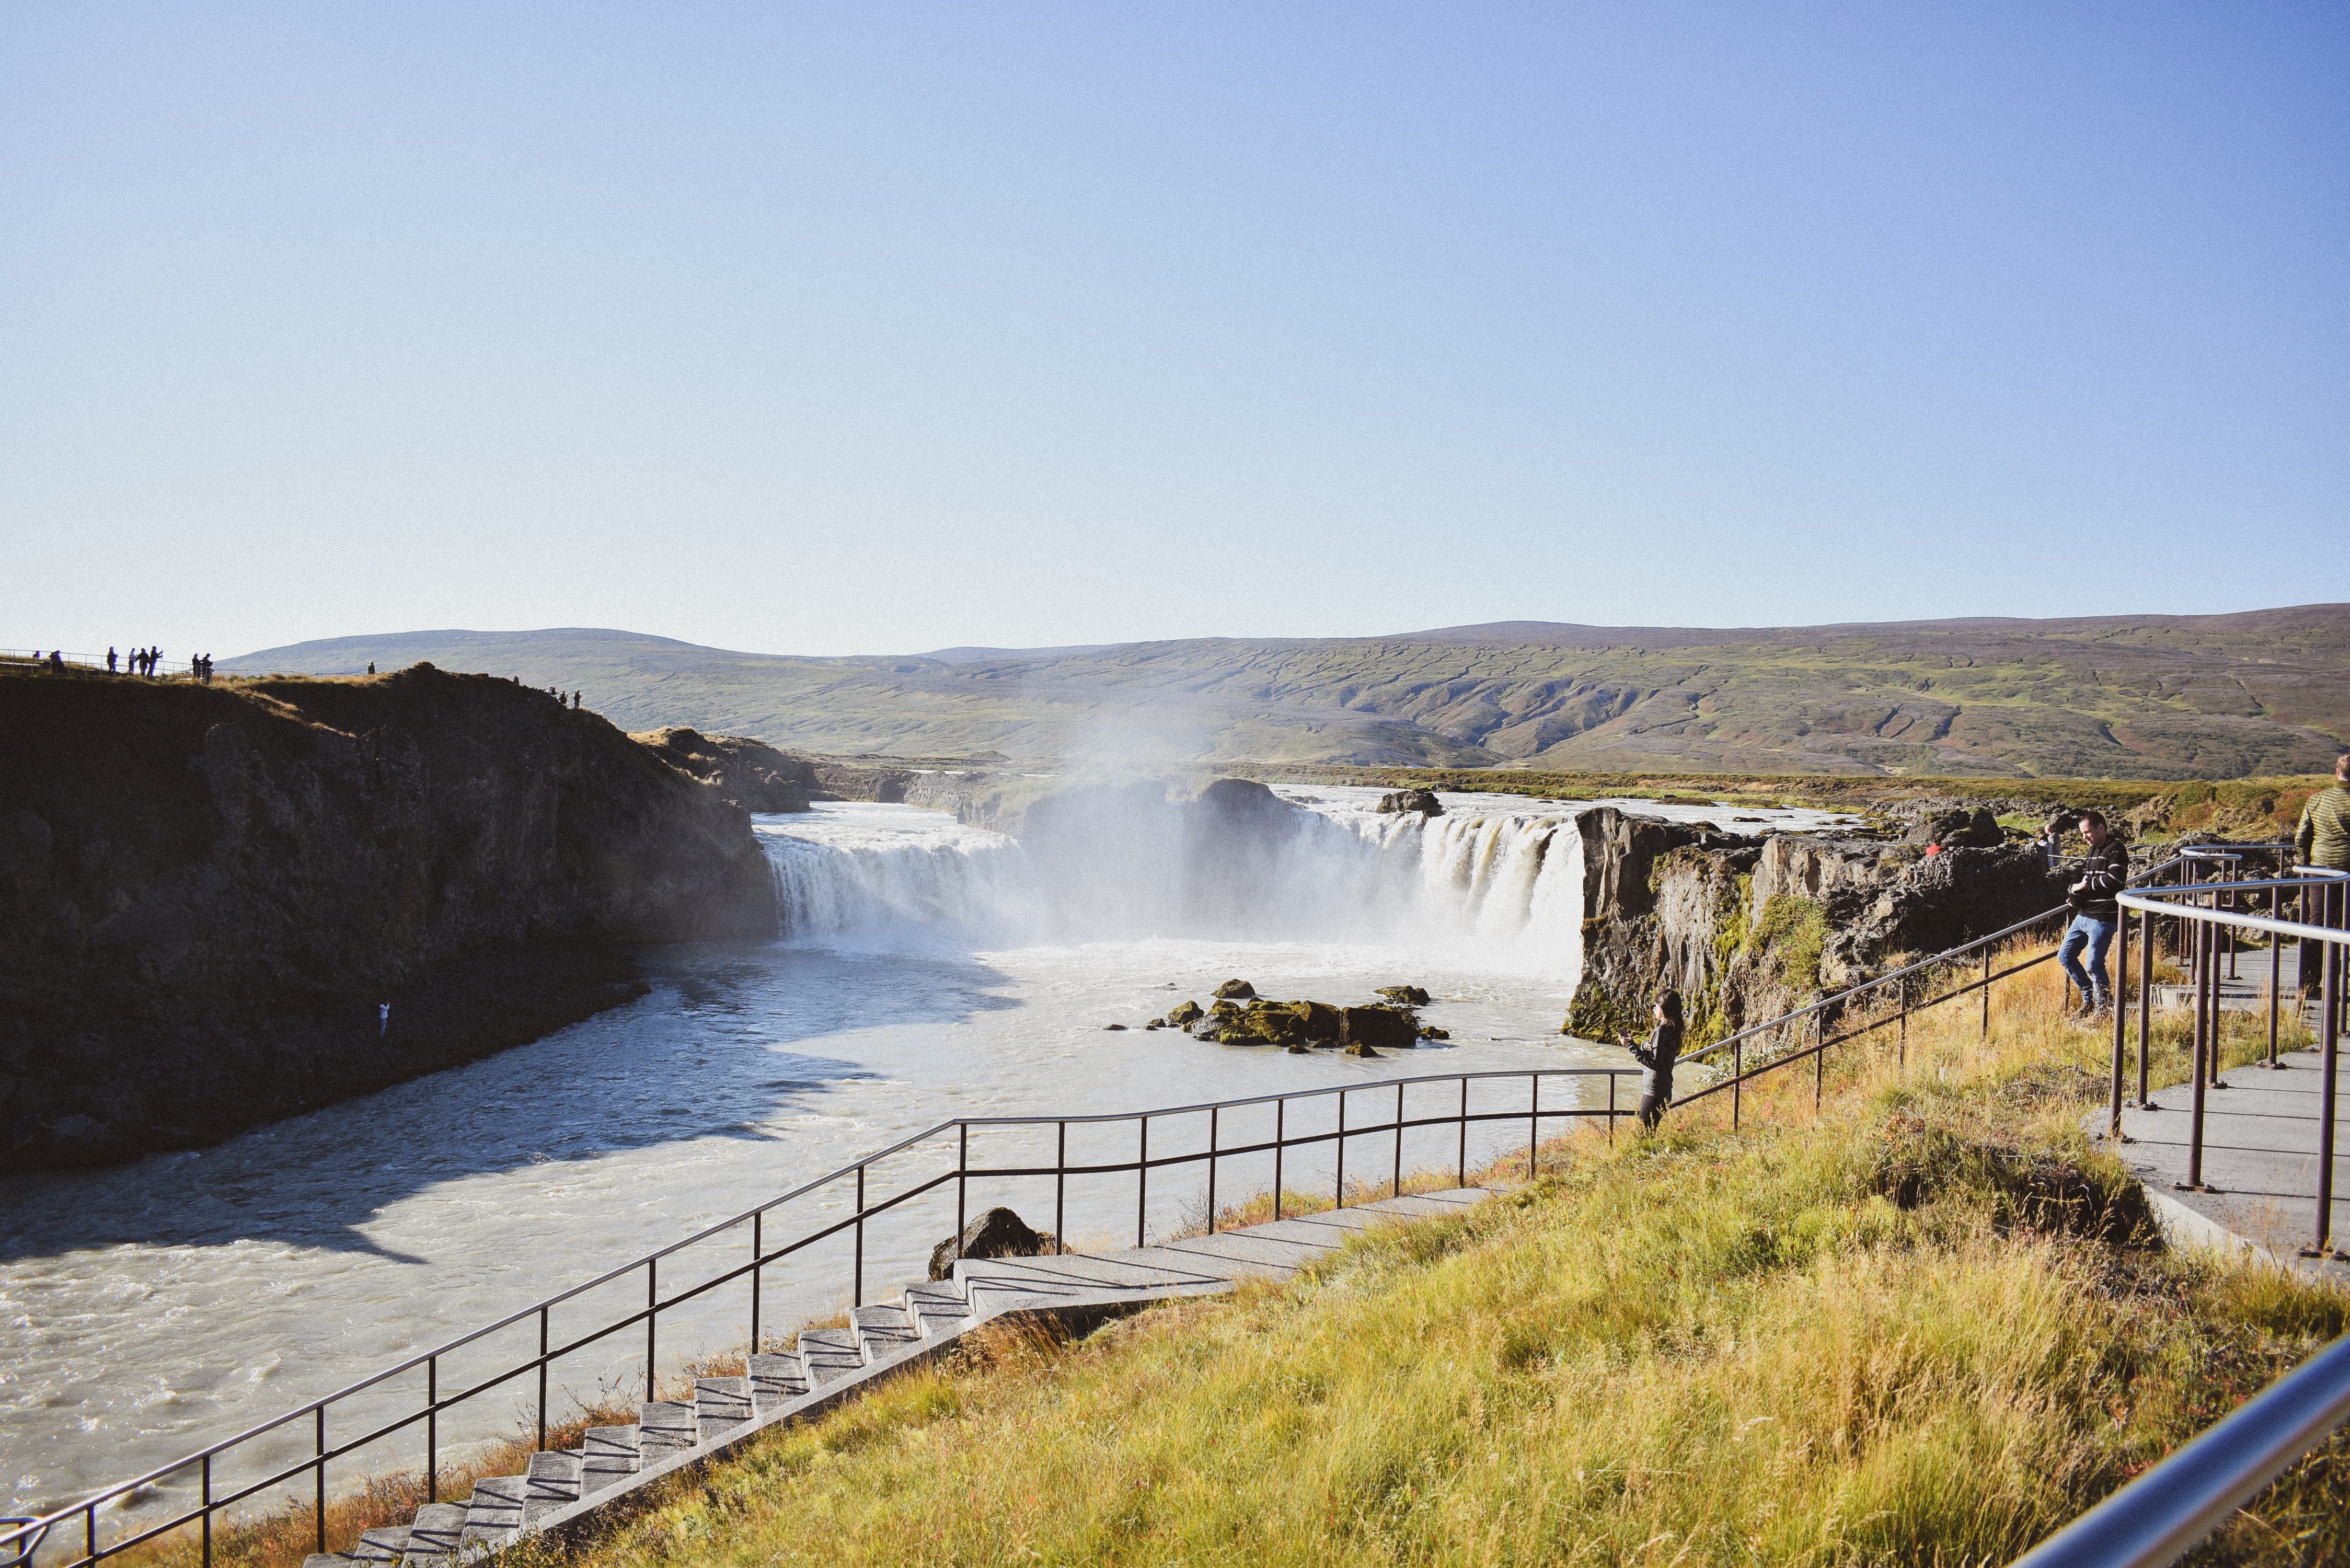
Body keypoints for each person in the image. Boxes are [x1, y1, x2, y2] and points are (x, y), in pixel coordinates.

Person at [2058, 810, 2129, 1016]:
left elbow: (2115, 880)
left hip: (2104, 917)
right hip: (2084, 914)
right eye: (2082, 834)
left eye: (2087, 832)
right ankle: (2090, 998)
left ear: (2101, 828)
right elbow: (2089, 881)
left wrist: (2084, 886)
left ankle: (2103, 1009)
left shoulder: (2116, 849)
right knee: (2065, 956)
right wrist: (2076, 896)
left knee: (2094, 964)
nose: (2085, 837)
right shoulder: (2092, 851)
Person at [1617, 990, 1686, 1130]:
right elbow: (1658, 1051)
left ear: (1664, 1007)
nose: (1653, 1008)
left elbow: (1654, 1062)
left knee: (1645, 1132)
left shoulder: (1661, 1030)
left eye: (1656, 1005)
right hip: (1664, 1088)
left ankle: (1652, 1152)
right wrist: (1642, 1045)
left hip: (1655, 1090)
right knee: (1650, 1130)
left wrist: (1630, 1045)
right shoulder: (1672, 1028)